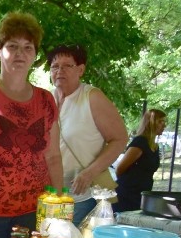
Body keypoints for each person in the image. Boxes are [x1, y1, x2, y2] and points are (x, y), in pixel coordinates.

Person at [0, 12, 63, 238]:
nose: (20, 53)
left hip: (35, 212)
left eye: (27, 47)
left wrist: (57, 208)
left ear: (35, 54)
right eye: (12, 46)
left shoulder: (46, 99)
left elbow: (53, 156)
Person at [47, 44, 128, 225]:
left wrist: (89, 173)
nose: (60, 71)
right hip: (50, 196)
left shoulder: (91, 97)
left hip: (83, 196)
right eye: (55, 66)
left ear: (81, 69)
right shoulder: (46, 99)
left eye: (67, 65)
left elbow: (120, 139)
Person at [114, 109, 166, 212]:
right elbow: (119, 169)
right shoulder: (140, 142)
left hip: (142, 194)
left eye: (164, 122)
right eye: (160, 121)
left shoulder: (154, 146)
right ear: (150, 123)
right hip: (127, 196)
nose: (164, 125)